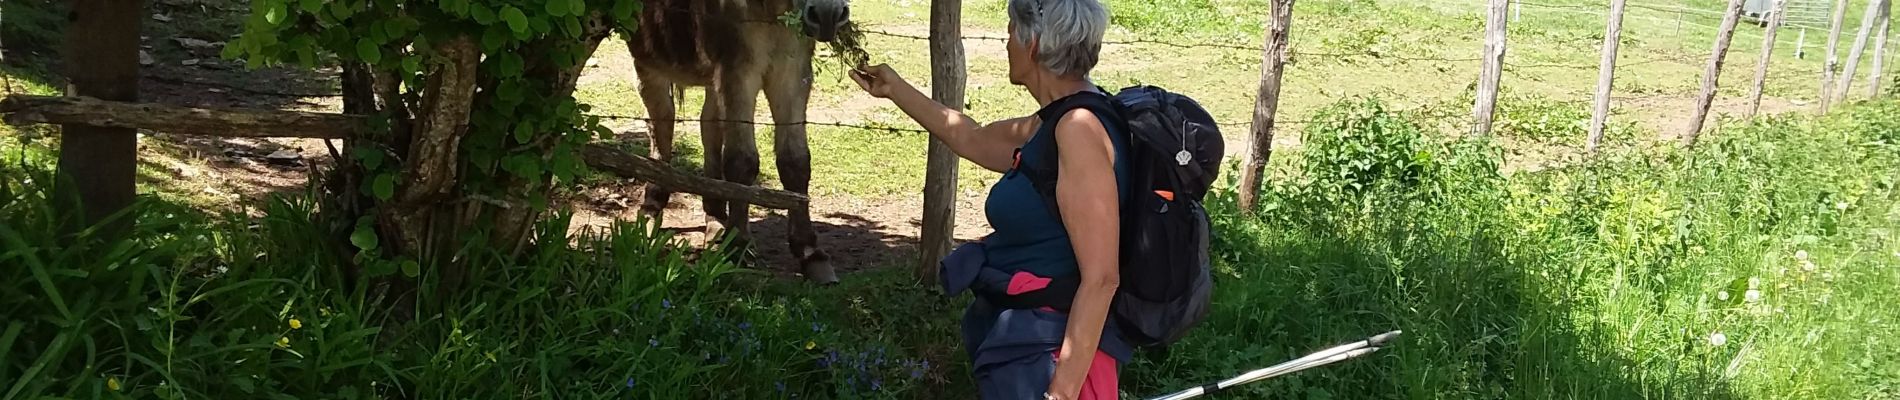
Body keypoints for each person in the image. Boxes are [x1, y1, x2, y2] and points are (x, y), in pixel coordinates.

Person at [848, 0, 1127, 398]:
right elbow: (972, 137)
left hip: (1052, 359)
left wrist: (1059, 394)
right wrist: (894, 89)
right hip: (1028, 346)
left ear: (1033, 45)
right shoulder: (1053, 121)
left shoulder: (1078, 130)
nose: (1005, 40)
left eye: (1011, 29)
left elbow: (1102, 278)